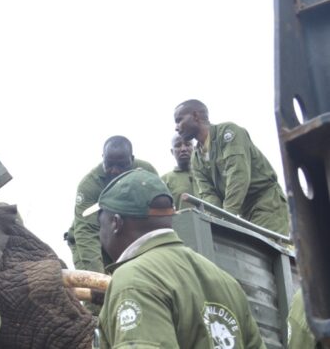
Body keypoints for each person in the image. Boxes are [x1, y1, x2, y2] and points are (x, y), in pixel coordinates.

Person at [89, 169, 265, 348]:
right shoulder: (226, 281)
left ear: (115, 223)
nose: (99, 234)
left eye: (100, 224)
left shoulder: (133, 279)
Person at [174, 99, 290, 235]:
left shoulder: (228, 133)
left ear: (195, 116)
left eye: (179, 120)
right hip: (243, 211)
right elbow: (208, 194)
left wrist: (227, 218)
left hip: (267, 203)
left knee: (266, 250)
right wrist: (217, 222)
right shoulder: (196, 158)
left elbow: (238, 177)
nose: (176, 127)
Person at [67, 135, 158, 274]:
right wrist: (97, 276)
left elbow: (159, 214)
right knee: (97, 288)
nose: (115, 171)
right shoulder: (90, 185)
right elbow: (86, 231)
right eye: (109, 164)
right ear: (103, 157)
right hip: (90, 240)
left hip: (126, 237)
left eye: (122, 165)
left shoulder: (146, 173)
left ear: (132, 160)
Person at [161, 134, 196, 210]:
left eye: (187, 144)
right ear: (172, 151)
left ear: (195, 148)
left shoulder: (206, 174)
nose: (183, 149)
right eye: (178, 145)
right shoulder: (165, 180)